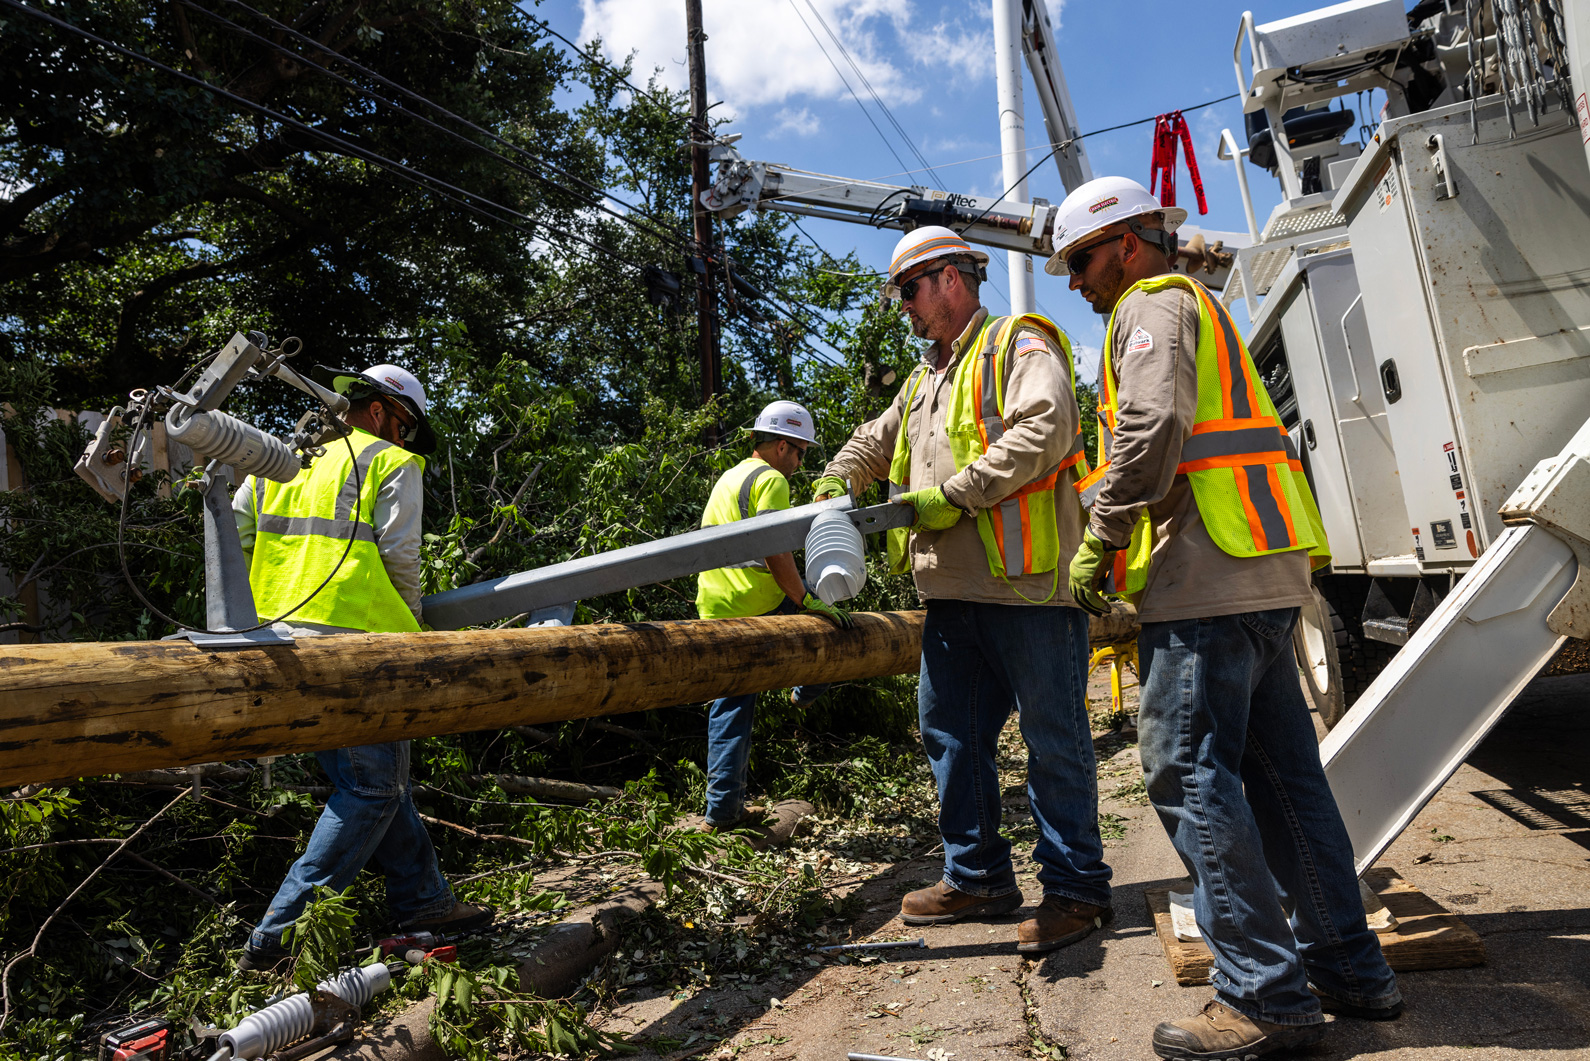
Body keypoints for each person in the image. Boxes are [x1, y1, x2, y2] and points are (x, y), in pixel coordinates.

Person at [1049, 176, 1401, 1059]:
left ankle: (1264, 996)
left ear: (1128, 242)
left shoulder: (1149, 306)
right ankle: (1351, 971)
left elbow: (1153, 424)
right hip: (1259, 570)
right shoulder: (1196, 306)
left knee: (1186, 768)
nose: (1076, 282)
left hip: (1206, 577)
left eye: (1083, 259)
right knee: (1285, 780)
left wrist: (1101, 531)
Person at [813, 226, 1111, 954]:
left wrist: (957, 493)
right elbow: (873, 439)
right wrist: (834, 479)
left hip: (1031, 591)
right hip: (952, 599)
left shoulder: (1017, 344)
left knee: (1055, 741)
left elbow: (1048, 426)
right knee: (950, 733)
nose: (905, 308)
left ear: (951, 279)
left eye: (910, 291)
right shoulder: (923, 378)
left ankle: (1075, 891)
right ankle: (977, 876)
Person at [231, 363, 492, 970]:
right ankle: (277, 940)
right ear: (381, 413)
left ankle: (424, 900)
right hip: (359, 646)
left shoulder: (282, 461)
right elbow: (402, 557)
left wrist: (272, 596)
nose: (403, 439)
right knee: (374, 785)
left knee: (374, 783)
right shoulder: (389, 462)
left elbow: (238, 530)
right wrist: (413, 634)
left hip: (278, 638)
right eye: (403, 426)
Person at [696, 400, 851, 831]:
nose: (801, 461)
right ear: (782, 445)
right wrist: (804, 598)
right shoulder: (772, 480)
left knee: (732, 703)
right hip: (753, 602)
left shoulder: (730, 476)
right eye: (800, 451)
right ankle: (803, 689)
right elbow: (773, 547)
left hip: (714, 604)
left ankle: (722, 811)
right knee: (831, 633)